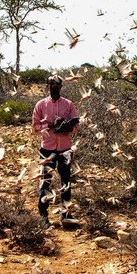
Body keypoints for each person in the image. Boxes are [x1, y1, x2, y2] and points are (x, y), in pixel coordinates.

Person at [31, 74, 80, 225]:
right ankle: (43, 217)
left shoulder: (68, 104)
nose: (54, 87)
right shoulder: (41, 104)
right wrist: (51, 126)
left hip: (65, 148)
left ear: (61, 86)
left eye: (57, 84)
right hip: (47, 149)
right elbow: (35, 126)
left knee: (66, 182)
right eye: (51, 84)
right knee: (45, 182)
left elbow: (76, 125)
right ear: (48, 86)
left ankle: (65, 216)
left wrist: (67, 126)